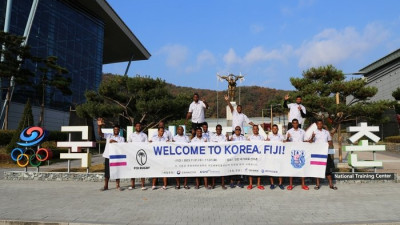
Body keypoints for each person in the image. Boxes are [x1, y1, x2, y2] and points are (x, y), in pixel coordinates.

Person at [97, 118, 125, 191]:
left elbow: (122, 146)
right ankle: (106, 186)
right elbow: (100, 133)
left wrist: (114, 142)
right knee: (107, 172)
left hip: (117, 157)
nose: (116, 130)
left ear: (119, 131)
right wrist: (99, 126)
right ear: (113, 130)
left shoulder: (121, 138)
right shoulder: (108, 136)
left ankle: (118, 186)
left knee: (117, 171)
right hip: (108, 156)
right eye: (115, 129)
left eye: (117, 129)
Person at [312, 120, 338, 190]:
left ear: (322, 124)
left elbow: (330, 141)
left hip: (325, 153)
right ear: (316, 125)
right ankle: (317, 185)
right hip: (317, 153)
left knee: (328, 170)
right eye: (318, 124)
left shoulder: (326, 132)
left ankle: (331, 185)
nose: (319, 125)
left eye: (321, 124)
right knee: (317, 169)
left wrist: (328, 144)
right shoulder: (314, 132)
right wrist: (312, 137)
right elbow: (310, 142)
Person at [286, 119, 309, 190]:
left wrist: (309, 141)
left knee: (302, 168)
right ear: (292, 124)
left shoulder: (302, 131)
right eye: (294, 123)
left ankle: (303, 184)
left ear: (298, 123)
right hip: (292, 153)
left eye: (296, 123)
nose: (295, 124)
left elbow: (305, 140)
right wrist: (287, 138)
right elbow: (286, 142)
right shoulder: (289, 131)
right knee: (291, 168)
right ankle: (290, 185)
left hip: (301, 152)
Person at [127, 122, 148, 190]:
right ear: (135, 127)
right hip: (133, 155)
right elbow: (128, 144)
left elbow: (147, 145)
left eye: (139, 126)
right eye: (137, 126)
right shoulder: (131, 135)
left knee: (142, 169)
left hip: (142, 154)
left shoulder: (144, 135)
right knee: (133, 170)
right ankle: (133, 185)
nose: (138, 127)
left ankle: (143, 185)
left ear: (141, 127)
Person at [266, 124, 285, 190]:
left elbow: (284, 144)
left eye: (276, 128)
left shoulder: (281, 136)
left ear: (278, 129)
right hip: (271, 156)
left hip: (279, 156)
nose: (275, 129)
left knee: (280, 169)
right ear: (272, 129)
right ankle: (272, 183)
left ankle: (280, 183)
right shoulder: (269, 136)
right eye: (273, 128)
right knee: (271, 169)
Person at [247, 125, 265, 190]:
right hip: (252, 156)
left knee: (259, 170)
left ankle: (258, 184)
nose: (255, 130)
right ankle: (250, 184)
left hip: (259, 156)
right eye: (254, 129)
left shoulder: (262, 137)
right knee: (250, 170)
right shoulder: (249, 138)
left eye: (256, 129)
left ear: (258, 129)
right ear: (252, 130)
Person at [210, 124, 227, 190]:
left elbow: (226, 145)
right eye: (217, 129)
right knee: (214, 170)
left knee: (222, 170)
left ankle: (223, 184)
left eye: (220, 129)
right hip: (214, 156)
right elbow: (211, 145)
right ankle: (213, 184)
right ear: (216, 130)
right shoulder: (212, 137)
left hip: (222, 156)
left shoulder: (224, 137)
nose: (218, 130)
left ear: (221, 130)